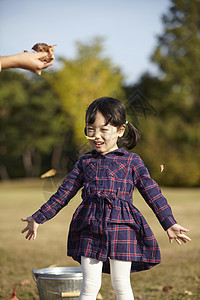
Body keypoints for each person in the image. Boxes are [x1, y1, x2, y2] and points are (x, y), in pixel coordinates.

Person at [21, 97, 191, 300]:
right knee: (89, 285)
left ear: (120, 130)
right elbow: (63, 193)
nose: (96, 136)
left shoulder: (132, 161)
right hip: (90, 226)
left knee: (121, 284)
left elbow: (152, 193)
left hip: (123, 227)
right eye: (90, 129)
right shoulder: (85, 162)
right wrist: (38, 217)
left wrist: (169, 223)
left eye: (103, 129)